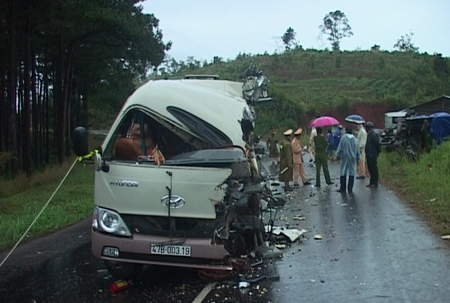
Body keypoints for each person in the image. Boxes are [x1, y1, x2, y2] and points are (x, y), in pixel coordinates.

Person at [335, 126, 360, 193]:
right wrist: (358, 158)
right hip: (353, 157)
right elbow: (357, 150)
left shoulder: (343, 138)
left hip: (344, 157)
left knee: (343, 171)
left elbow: (340, 147)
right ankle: (350, 189)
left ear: (346, 131)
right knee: (352, 172)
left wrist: (337, 155)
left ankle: (343, 188)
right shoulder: (355, 139)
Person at [365, 122, 381, 188]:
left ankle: (375, 182)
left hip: (372, 155)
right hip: (369, 155)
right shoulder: (369, 135)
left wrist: (377, 153)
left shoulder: (374, 135)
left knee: (374, 169)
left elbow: (377, 145)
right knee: (370, 169)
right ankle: (371, 182)